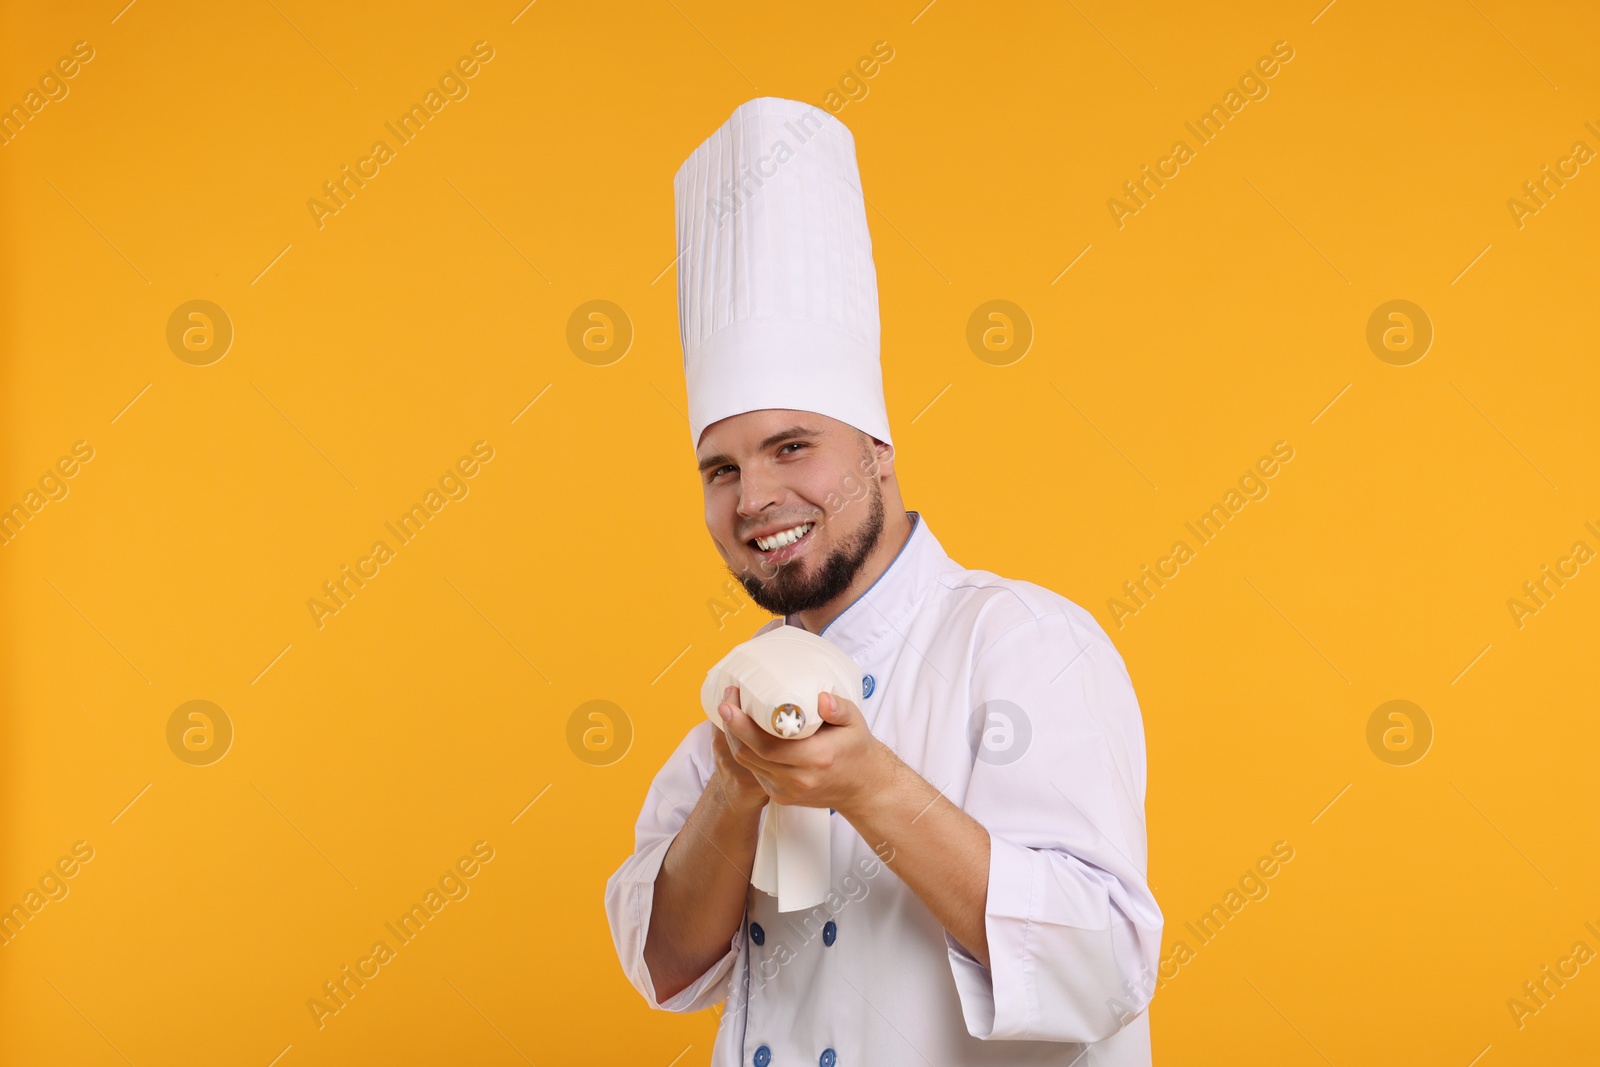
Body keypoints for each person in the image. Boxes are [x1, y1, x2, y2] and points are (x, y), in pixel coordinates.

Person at [604, 96, 1163, 1066]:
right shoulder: (734, 712)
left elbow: (1103, 967)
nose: (755, 497)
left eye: (791, 446)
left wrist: (871, 786)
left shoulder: (1025, 640)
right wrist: (736, 789)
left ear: (876, 451)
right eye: (722, 468)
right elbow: (665, 961)